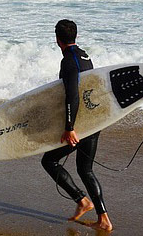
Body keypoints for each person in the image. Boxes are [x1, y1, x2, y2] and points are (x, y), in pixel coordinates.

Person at [41, 19, 112, 231]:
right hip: (93, 121)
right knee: (85, 170)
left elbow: (72, 95)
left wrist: (69, 127)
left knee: (49, 161)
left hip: (79, 126)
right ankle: (104, 220)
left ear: (57, 39)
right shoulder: (84, 56)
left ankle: (82, 201)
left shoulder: (69, 61)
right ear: (75, 36)